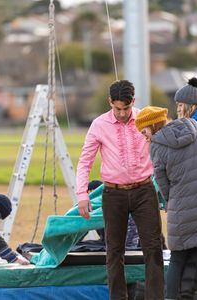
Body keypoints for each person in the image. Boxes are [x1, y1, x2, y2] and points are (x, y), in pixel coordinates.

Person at [76, 80, 164, 300]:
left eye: (126, 108)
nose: (122, 113)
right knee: (114, 251)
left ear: (133, 102)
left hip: (144, 190)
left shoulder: (146, 118)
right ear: (110, 102)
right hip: (113, 194)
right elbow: (85, 161)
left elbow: (165, 147)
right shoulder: (98, 125)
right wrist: (81, 195)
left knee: (153, 248)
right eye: (117, 108)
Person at [135, 106, 197, 300]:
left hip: (181, 211)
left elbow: (162, 183)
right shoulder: (194, 126)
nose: (144, 136)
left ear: (153, 125)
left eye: (144, 132)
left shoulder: (156, 146)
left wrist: (173, 200)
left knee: (177, 261)